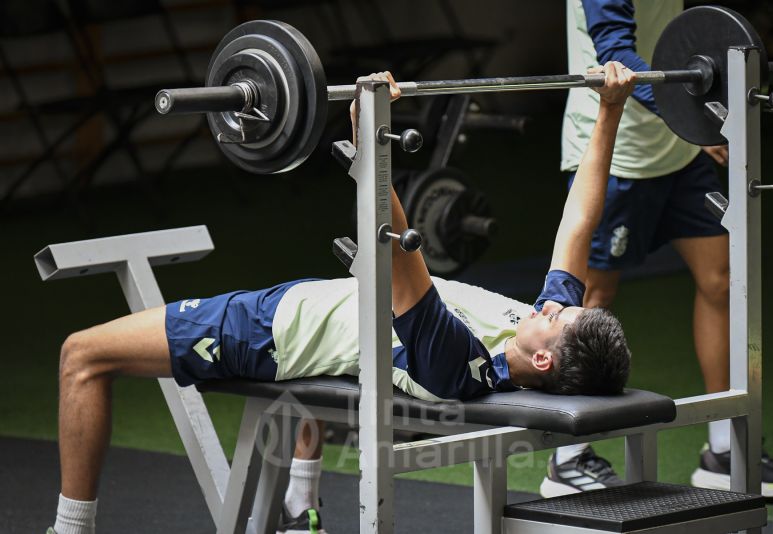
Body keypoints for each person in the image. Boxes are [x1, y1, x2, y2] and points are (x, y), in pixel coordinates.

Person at [47, 64, 635, 534]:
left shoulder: (459, 364)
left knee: (82, 356)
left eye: (559, 316)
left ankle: (70, 530)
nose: (552, 304)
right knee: (338, 367)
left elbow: (397, 250)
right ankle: (298, 509)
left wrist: (370, 137)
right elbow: (578, 223)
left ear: (543, 361)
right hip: (316, 312)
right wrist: (610, 110)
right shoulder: (530, 329)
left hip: (269, 332)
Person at [542, 0, 773, 499]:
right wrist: (694, 113)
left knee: (722, 278)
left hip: (678, 153)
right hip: (612, 151)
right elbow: (615, 51)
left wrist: (694, 124)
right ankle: (567, 456)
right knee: (588, 303)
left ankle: (722, 446)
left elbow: (685, 38)